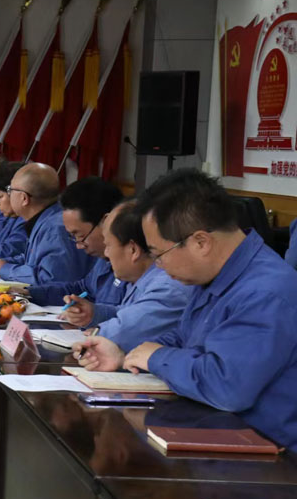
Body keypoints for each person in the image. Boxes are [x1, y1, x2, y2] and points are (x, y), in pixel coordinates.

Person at [74, 169, 297, 451]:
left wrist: (156, 357)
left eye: (159, 255)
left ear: (201, 242)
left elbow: (227, 385)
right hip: (214, 433)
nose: (158, 266)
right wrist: (128, 355)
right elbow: (184, 337)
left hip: (268, 457)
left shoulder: (265, 292)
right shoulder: (214, 274)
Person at [64, 199, 191, 350]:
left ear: (133, 250)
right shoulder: (141, 280)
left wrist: (97, 333)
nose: (106, 253)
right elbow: (129, 314)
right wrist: (94, 314)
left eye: (108, 246)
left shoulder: (167, 287)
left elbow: (123, 334)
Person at [0, 163, 91, 285]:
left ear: (24, 198)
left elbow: (51, 279)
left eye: (9, 190)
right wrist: (3, 263)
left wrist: (3, 269)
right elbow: (35, 261)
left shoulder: (55, 228)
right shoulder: (45, 219)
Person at [26, 176, 126, 310]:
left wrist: (93, 315)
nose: (79, 245)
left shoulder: (133, 267)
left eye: (80, 236)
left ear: (107, 222)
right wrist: (28, 293)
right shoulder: (103, 259)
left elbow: (128, 317)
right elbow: (82, 289)